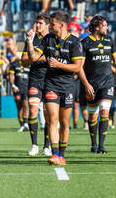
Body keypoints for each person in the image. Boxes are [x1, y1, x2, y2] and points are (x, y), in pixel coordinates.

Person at [26, 11, 83, 166]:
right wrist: (30, 42)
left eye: (52, 24)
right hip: (51, 85)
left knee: (64, 123)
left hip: (68, 86)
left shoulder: (75, 42)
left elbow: (77, 67)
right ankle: (55, 154)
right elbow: (32, 58)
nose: (50, 26)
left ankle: (61, 155)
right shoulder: (47, 39)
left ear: (62, 25)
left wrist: (59, 65)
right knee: (53, 120)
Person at [79, 15, 116, 153]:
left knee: (105, 110)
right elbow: (79, 66)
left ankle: (102, 146)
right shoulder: (85, 43)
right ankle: (94, 144)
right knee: (93, 115)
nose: (107, 28)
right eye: (104, 25)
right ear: (97, 27)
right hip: (91, 84)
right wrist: (86, 84)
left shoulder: (109, 41)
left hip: (107, 83)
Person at [21, 14, 51, 157]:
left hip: (51, 80)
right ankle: (34, 145)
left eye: (40, 23)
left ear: (47, 25)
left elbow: (55, 58)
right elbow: (24, 61)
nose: (37, 25)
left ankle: (47, 145)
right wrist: (30, 44)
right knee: (33, 111)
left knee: (47, 114)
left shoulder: (53, 39)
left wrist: (35, 57)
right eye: (36, 22)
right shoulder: (30, 39)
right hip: (34, 79)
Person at [9, 55, 30, 132]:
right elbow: (11, 75)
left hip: (26, 88)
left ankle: (25, 123)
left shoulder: (29, 64)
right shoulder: (15, 64)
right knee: (19, 107)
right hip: (17, 88)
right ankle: (21, 125)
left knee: (26, 105)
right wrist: (13, 85)